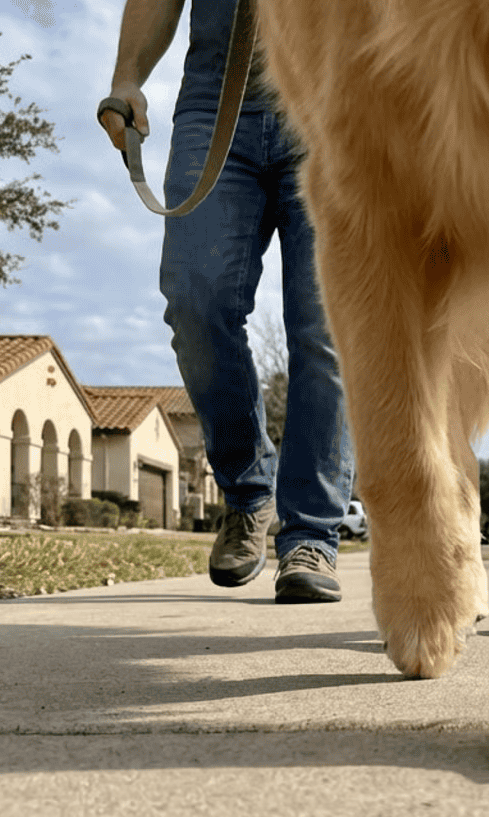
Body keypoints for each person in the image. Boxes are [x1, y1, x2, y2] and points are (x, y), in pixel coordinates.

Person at [98, 0, 354, 602]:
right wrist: (127, 77)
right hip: (215, 103)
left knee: (327, 327)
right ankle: (247, 492)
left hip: (334, 98)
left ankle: (311, 533)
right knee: (195, 298)